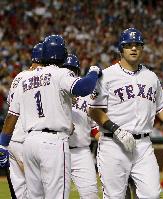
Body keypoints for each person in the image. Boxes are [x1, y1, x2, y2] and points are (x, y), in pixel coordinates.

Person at [0, 34, 102, 199]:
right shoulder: (60, 73)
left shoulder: (25, 78)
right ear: (62, 54)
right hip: (53, 142)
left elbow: (12, 115)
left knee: (34, 197)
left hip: (30, 143)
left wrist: (3, 145)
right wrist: (93, 72)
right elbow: (84, 88)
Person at [88, 27, 163, 198]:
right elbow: (93, 110)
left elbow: (162, 107)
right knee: (115, 196)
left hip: (143, 146)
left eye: (138, 45)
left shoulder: (151, 77)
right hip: (113, 144)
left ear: (143, 48)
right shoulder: (107, 75)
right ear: (121, 49)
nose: (134, 48)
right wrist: (116, 129)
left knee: (152, 195)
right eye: (129, 45)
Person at [6, 42, 43, 199]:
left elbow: (10, 103)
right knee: (38, 190)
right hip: (26, 139)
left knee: (20, 191)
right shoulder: (38, 77)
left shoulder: (19, 76)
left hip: (12, 139)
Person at [62, 54, 99, 199]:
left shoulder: (88, 95)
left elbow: (95, 127)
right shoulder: (54, 92)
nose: (70, 72)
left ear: (78, 72)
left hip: (81, 152)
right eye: (66, 68)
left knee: (91, 194)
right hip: (58, 150)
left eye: (73, 69)